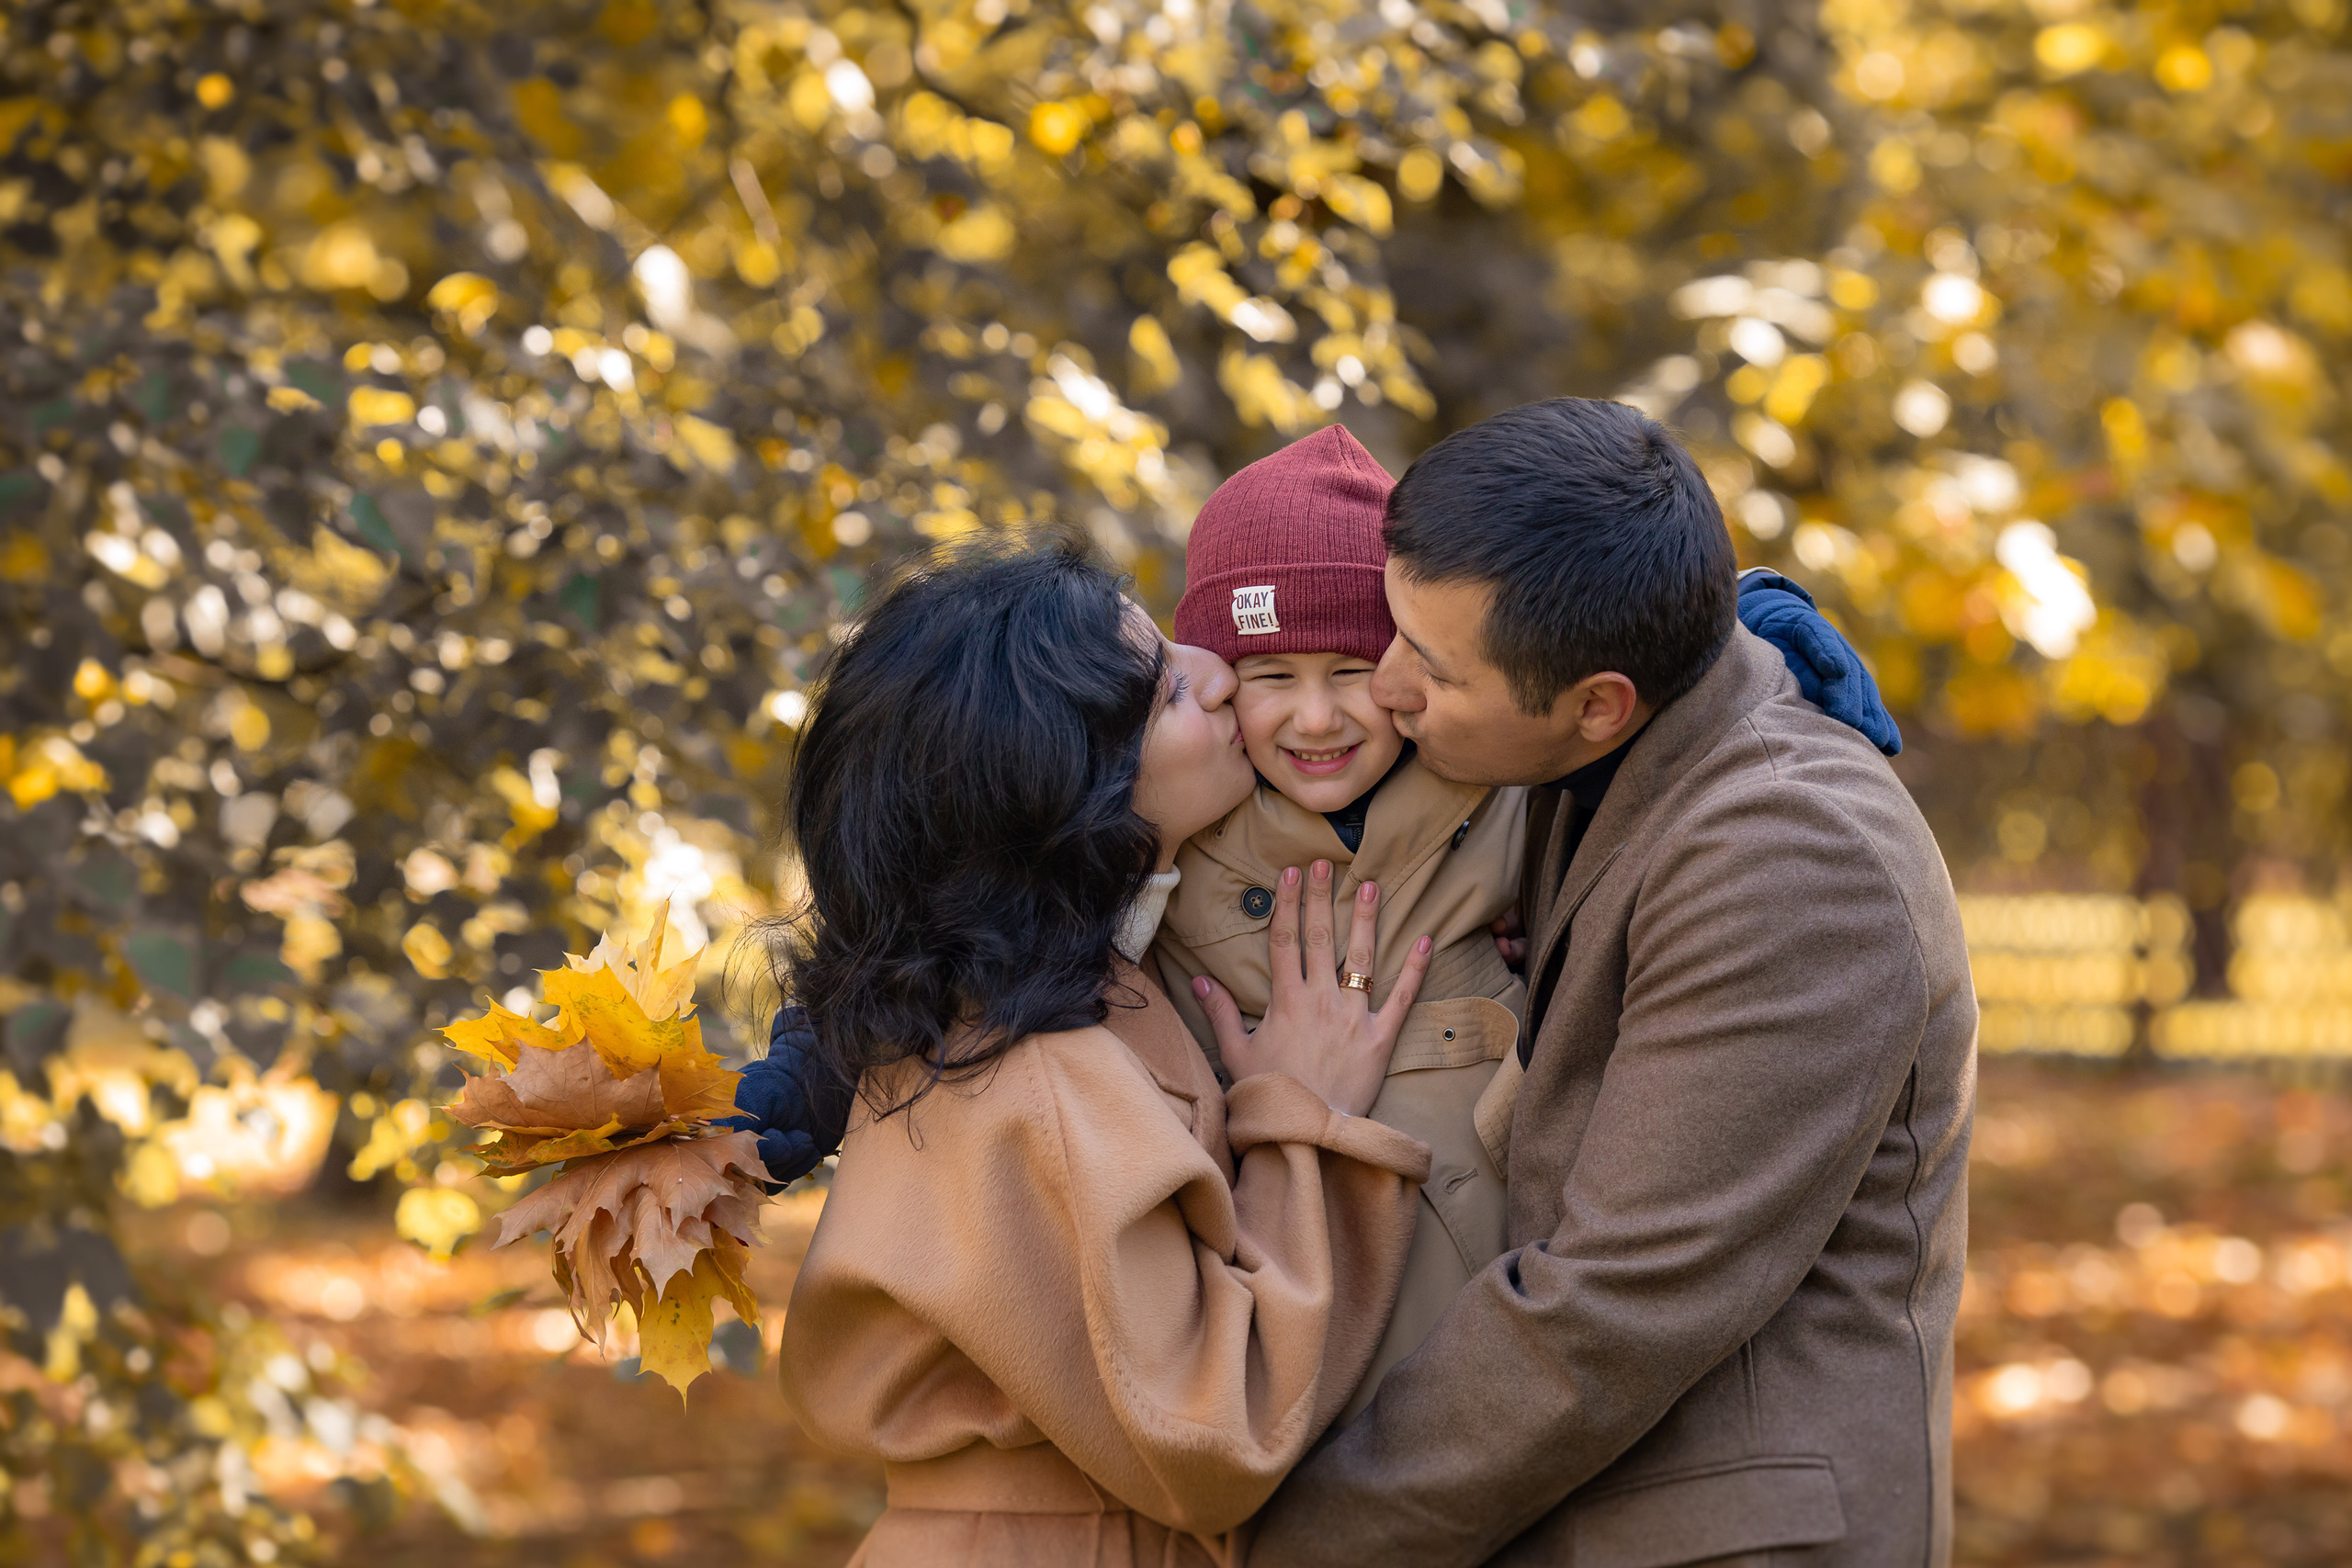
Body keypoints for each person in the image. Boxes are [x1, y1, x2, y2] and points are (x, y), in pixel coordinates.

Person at [1246, 398, 1975, 1568]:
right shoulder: (1598, 744)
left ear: (1598, 705)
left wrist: (1292, 1546)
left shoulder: (1792, 860)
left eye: (1427, 669)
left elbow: (1612, 1309)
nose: (1384, 687)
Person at [767, 536, 1441, 1568]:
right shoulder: (1033, 1076)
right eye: (1166, 690)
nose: (1218, 675)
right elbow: (1212, 1437)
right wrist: (1303, 1120)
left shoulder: (1029, 1011)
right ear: (1062, 792)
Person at [1147, 424, 1530, 1421]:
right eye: (1271, 677)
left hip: (1496, 1352)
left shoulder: (1507, 795)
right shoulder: (1173, 843)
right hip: (1280, 1367)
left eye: (1350, 669)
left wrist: (1767, 616)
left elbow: (1624, 668)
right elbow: (973, 921)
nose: (1315, 720)